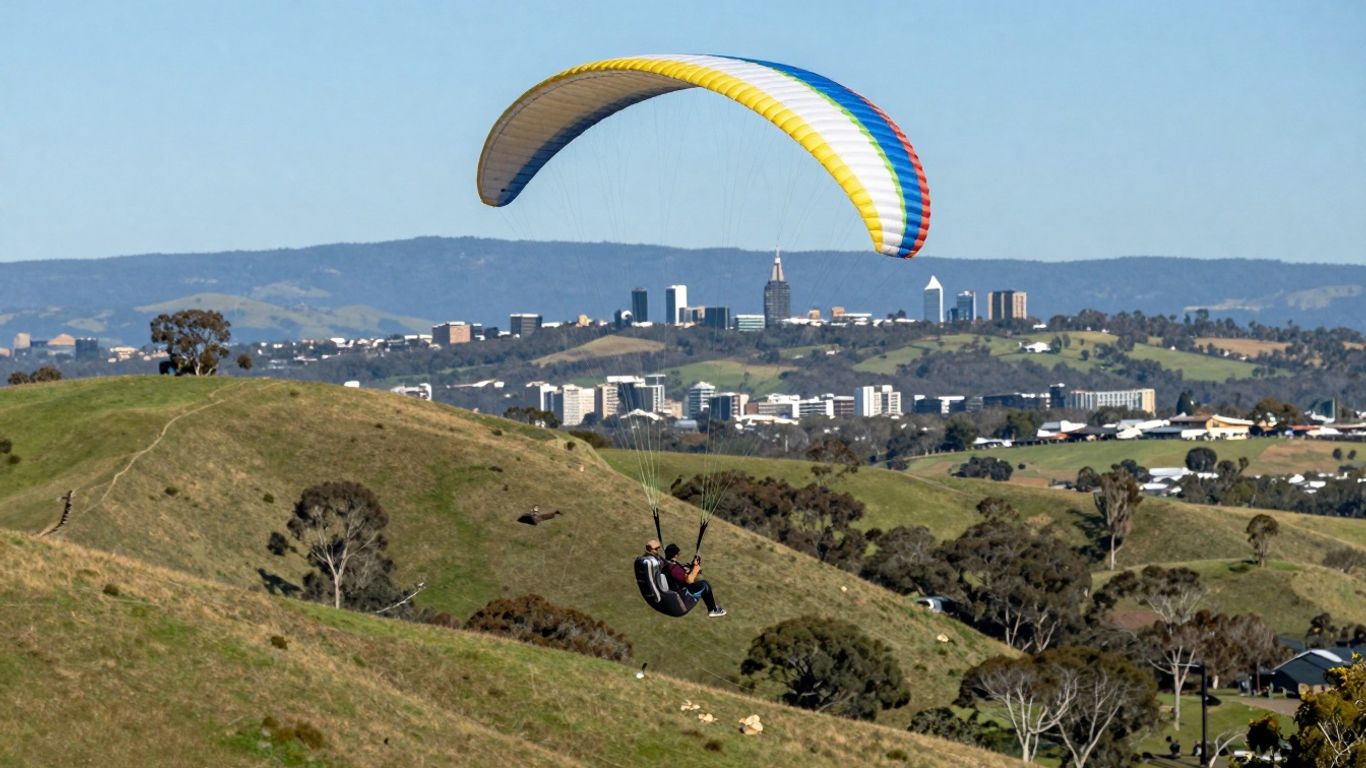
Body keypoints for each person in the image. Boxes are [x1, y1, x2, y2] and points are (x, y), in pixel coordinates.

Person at [661, 543, 725, 618]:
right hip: (680, 596)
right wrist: (696, 568)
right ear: (676, 555)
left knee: (700, 583)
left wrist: (693, 566)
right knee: (704, 585)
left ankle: (712, 606)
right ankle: (712, 610)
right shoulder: (673, 568)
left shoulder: (667, 565)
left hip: (675, 592)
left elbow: (683, 573)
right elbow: (689, 580)